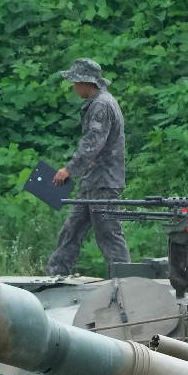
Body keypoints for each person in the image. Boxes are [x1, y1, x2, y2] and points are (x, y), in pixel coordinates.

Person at [47, 58, 130, 276]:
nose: (73, 87)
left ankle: (126, 282)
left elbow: (92, 143)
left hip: (103, 183)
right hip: (93, 182)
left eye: (75, 82)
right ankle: (56, 274)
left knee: (109, 234)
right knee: (71, 230)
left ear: (86, 82)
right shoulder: (101, 102)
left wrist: (69, 169)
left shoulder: (101, 105)